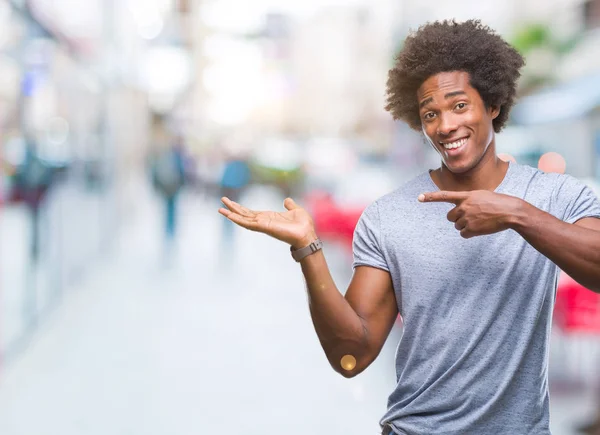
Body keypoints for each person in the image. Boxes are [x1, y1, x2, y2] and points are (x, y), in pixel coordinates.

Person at [218, 19, 600, 434]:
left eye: (459, 106)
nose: (445, 126)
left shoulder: (554, 196)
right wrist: (308, 249)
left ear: (492, 104)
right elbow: (352, 356)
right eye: (430, 114)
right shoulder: (388, 217)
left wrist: (515, 214)